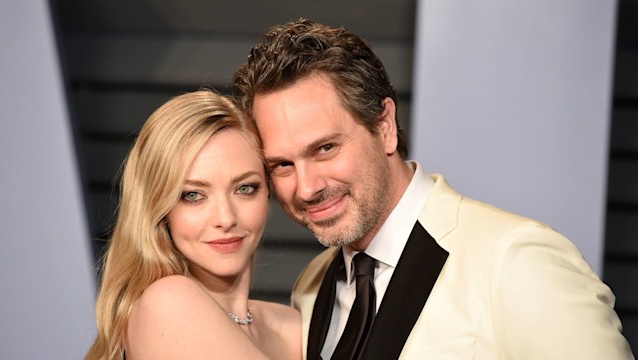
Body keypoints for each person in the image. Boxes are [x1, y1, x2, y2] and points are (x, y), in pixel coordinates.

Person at [233, 18, 634, 360]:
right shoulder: (313, 283)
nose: (306, 188)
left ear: (384, 126)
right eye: (282, 165)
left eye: (325, 148)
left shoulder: (517, 259)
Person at [85, 90, 301, 360]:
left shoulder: (292, 324)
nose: (226, 218)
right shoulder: (167, 303)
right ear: (161, 209)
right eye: (193, 195)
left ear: (268, 191)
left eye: (245, 188)